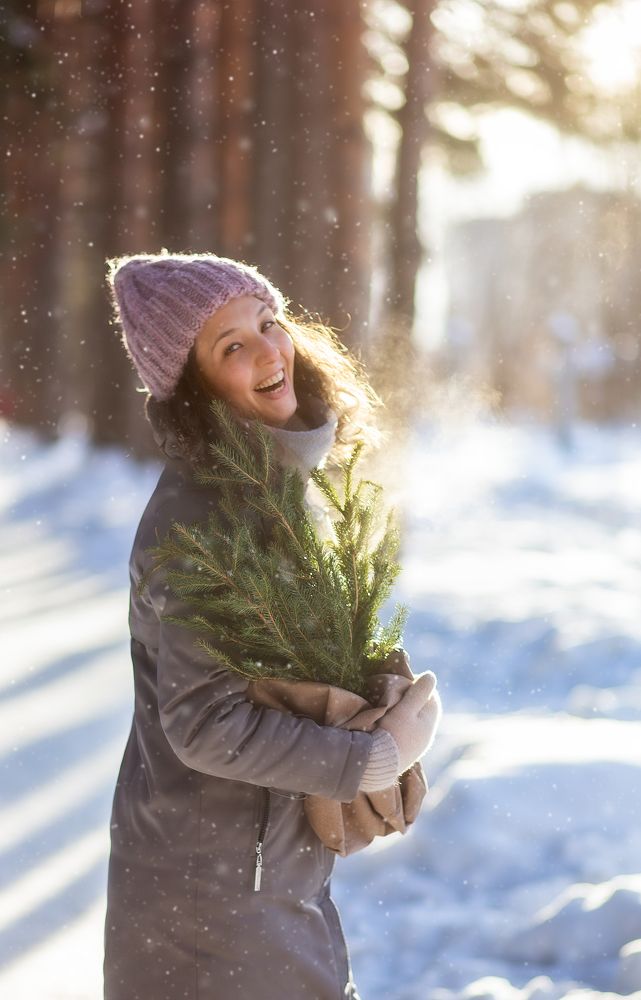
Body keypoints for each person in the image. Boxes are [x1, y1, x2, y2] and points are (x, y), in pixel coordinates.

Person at [103, 250, 442, 1000]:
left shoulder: (266, 494)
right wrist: (372, 760)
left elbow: (265, 676)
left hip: (257, 872)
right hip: (209, 897)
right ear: (194, 390)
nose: (268, 350)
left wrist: (364, 693)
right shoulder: (204, 516)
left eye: (268, 321)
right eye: (231, 345)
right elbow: (202, 724)